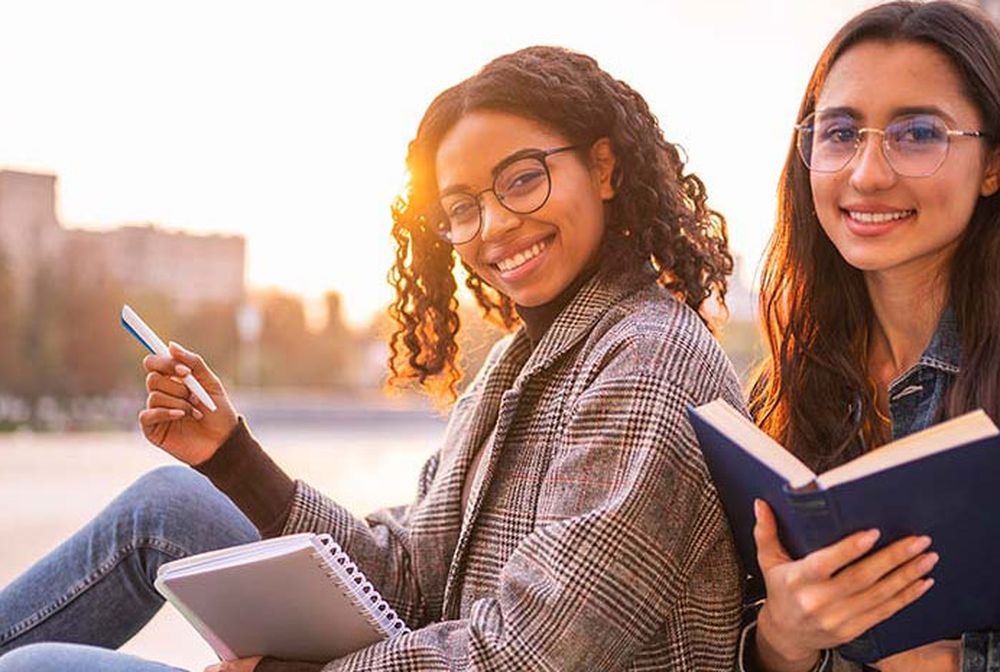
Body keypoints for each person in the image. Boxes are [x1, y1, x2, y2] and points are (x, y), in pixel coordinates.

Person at [0, 46, 746, 671]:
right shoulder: (522, 361)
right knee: (170, 500)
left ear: (606, 168)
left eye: (523, 178)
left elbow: (530, 653)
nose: (494, 226)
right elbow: (408, 578)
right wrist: (232, 457)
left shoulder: (648, 363)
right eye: (461, 208)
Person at [741, 2, 1000, 671]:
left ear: (994, 164)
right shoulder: (783, 391)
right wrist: (783, 641)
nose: (868, 173)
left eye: (918, 133)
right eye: (841, 133)